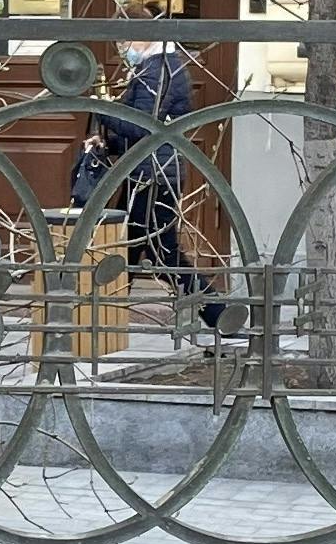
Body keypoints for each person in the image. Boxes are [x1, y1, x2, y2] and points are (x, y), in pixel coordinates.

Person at [71, 42, 222, 333]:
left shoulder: (158, 70)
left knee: (156, 252)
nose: (123, 48)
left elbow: (141, 126)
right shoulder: (157, 67)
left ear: (145, 38)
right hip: (149, 170)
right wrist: (110, 143)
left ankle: (219, 315)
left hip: (153, 175)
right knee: (131, 247)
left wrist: (100, 107)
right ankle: (103, 319)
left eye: (126, 41)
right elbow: (147, 131)